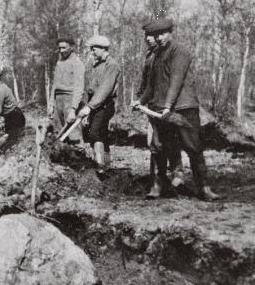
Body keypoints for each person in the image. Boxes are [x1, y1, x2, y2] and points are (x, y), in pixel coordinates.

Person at [135, 17, 220, 201]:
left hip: (183, 108)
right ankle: (158, 186)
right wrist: (140, 101)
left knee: (193, 147)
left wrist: (167, 106)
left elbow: (176, 80)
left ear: (170, 33)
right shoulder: (156, 55)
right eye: (156, 35)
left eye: (162, 34)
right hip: (161, 110)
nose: (159, 38)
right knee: (159, 148)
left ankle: (204, 188)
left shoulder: (180, 51)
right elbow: (152, 85)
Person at [138, 21, 184, 197]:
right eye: (147, 36)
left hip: (167, 106)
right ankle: (157, 182)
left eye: (152, 36)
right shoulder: (151, 56)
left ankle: (175, 174)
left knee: (169, 141)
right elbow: (147, 83)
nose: (149, 39)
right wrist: (140, 99)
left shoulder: (168, 54)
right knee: (155, 144)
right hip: (153, 105)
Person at [77, 34, 120, 177]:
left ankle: (100, 165)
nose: (92, 52)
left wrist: (90, 107)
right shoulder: (96, 65)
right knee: (100, 133)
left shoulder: (111, 65)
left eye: (94, 49)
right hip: (94, 103)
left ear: (103, 49)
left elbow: (105, 89)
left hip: (104, 104)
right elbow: (90, 88)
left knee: (95, 133)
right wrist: (87, 106)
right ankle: (106, 164)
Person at [50, 37, 85, 144]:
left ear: (72, 47)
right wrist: (51, 104)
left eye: (64, 48)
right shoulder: (59, 63)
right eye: (59, 48)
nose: (61, 51)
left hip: (70, 100)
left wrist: (73, 109)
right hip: (58, 101)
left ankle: (78, 153)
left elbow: (79, 88)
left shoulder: (77, 63)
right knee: (58, 133)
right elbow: (55, 85)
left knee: (73, 134)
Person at [0, 66, 26, 152]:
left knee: (9, 146)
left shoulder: (1, 90)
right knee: (6, 143)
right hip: (10, 117)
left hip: (16, 118)